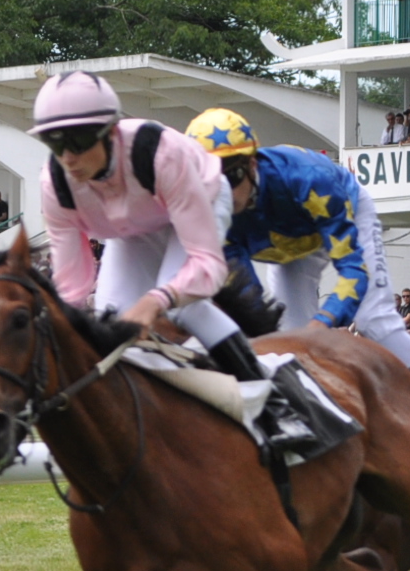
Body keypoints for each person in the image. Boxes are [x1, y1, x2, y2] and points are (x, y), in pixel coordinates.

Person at [184, 106, 410, 473]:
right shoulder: (216, 216)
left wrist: (324, 324)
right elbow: (252, 310)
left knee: (375, 318)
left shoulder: (307, 180)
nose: (220, 195)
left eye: (229, 178)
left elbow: (353, 273)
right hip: (287, 251)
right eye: (206, 183)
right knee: (284, 339)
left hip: (341, 212)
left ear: (252, 166)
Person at [34, 71, 261, 380]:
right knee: (111, 320)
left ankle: (270, 393)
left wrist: (157, 300)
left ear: (112, 132)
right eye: (54, 143)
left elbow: (208, 266)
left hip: (202, 198)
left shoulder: (162, 154)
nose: (68, 157)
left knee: (182, 307)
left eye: (80, 140)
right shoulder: (54, 186)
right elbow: (71, 287)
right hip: (135, 229)